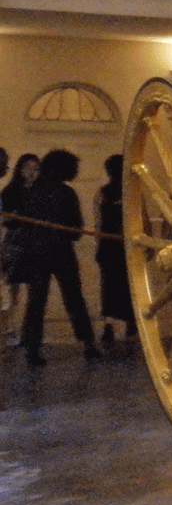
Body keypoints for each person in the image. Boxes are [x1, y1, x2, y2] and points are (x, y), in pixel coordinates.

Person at [20, 149, 99, 366]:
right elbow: (75, 229)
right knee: (74, 298)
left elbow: (24, 225)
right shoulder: (66, 193)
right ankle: (89, 344)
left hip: (36, 252)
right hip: (62, 252)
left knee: (36, 302)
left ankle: (32, 349)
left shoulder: (31, 191)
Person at [1, 152, 40, 344]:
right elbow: (6, 219)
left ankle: (30, 331)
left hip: (36, 245)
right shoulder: (10, 191)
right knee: (12, 291)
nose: (31, 173)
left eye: (35, 169)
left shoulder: (42, 192)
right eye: (27, 168)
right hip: (16, 245)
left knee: (36, 291)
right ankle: (9, 328)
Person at [95, 154, 133, 346]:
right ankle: (131, 322)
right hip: (126, 246)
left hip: (108, 246)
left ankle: (109, 325)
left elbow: (98, 222)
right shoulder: (130, 192)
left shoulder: (102, 193)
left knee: (108, 287)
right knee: (128, 285)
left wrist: (99, 245)